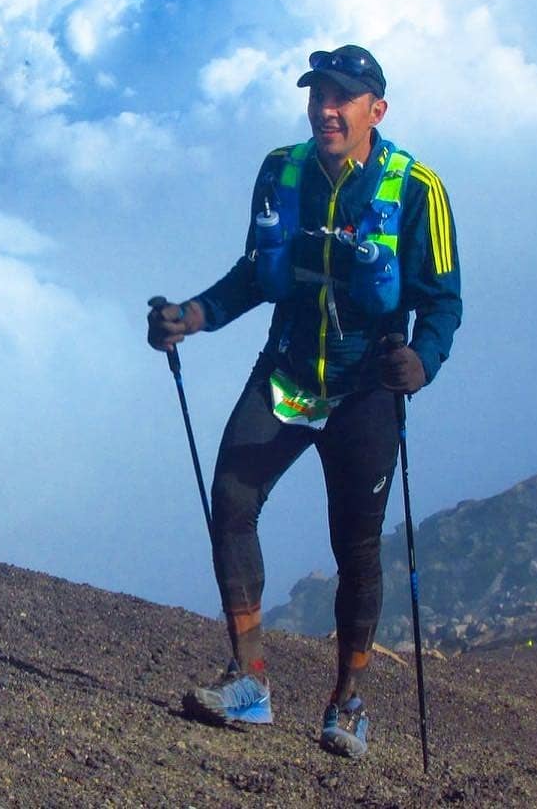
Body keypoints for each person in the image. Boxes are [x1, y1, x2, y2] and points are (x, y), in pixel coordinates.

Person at [147, 44, 461, 759]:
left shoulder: (418, 190)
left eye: (343, 97)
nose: (326, 107)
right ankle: (249, 683)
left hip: (364, 391)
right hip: (286, 374)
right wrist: (191, 316)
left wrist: (424, 361)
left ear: (375, 111)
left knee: (355, 549)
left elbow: (443, 302)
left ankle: (347, 705)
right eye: (318, 93)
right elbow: (256, 274)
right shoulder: (279, 172)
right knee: (231, 502)